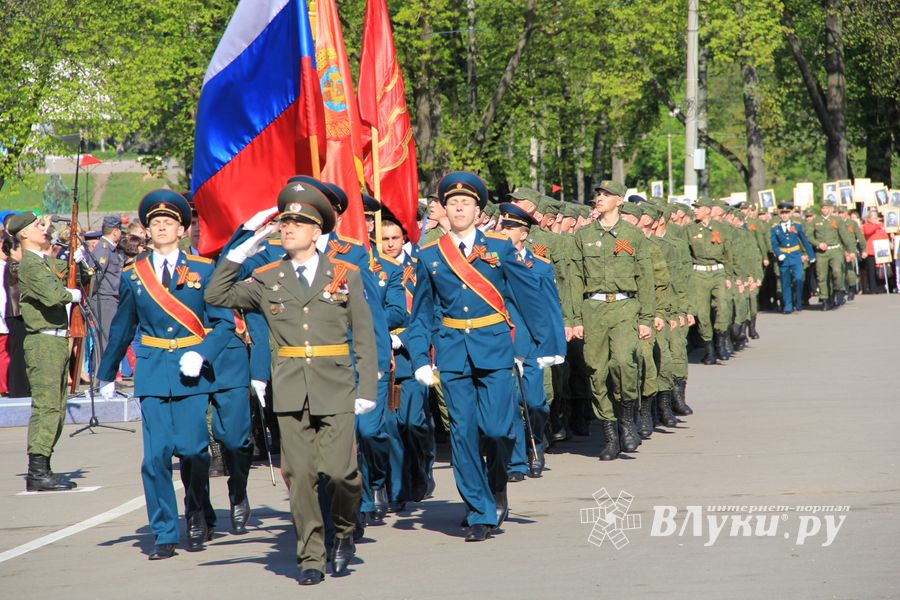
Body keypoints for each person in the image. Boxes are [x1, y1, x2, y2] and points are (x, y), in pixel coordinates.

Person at [206, 183, 377, 584]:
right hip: (290, 389)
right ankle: (311, 556)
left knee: (341, 474)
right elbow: (216, 294)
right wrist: (240, 251)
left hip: (335, 385)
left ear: (317, 232)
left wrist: (367, 389)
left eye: (297, 223)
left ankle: (344, 530)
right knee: (299, 477)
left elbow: (364, 336)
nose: (287, 228)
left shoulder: (345, 274)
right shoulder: (268, 277)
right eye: (284, 222)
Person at [405, 171, 557, 542]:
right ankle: (479, 511)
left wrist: (546, 343)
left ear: (478, 211)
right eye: (452, 203)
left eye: (466, 203)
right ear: (445, 210)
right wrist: (420, 358)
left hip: (495, 348)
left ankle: (497, 483)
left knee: (498, 430)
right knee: (463, 434)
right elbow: (421, 313)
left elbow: (527, 295)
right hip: (452, 350)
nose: (459, 208)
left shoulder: (500, 248)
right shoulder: (430, 255)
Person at [97, 190, 235, 560]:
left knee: (193, 451)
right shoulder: (134, 275)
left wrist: (202, 354)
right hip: (154, 371)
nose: (161, 227)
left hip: (192, 372)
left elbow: (223, 324)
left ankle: (197, 506)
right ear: (147, 230)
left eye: (168, 222)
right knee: (156, 457)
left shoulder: (203, 270)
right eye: (155, 223)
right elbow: (123, 326)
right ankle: (164, 531)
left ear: (181, 229)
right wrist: (107, 372)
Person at [569, 180, 654, 460]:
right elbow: (575, 278)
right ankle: (609, 434)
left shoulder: (633, 235)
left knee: (623, 363)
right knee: (596, 371)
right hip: (593, 308)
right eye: (598, 193)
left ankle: (627, 419)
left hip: (625, 306)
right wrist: (575, 318)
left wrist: (646, 317)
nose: (600, 197)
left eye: (607, 194)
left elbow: (645, 277)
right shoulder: (583, 235)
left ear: (620, 201)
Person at [9, 211, 88, 491]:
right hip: (42, 342)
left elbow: (77, 275)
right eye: (37, 225)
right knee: (47, 407)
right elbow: (54, 296)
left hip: (56, 341)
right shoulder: (30, 265)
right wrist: (72, 295)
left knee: (58, 406)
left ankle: (45, 466)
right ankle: (37, 471)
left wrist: (78, 259)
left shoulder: (44, 262)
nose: (44, 228)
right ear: (24, 234)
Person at [497, 202, 565, 480]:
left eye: (510, 228)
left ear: (523, 234)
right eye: (502, 226)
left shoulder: (539, 266)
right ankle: (516, 462)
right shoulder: (492, 262)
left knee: (535, 403)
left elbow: (550, 308)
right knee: (510, 402)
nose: (504, 231)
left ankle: (536, 439)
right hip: (504, 341)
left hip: (533, 344)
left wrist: (553, 345)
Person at [89, 215, 124, 393]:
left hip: (110, 298)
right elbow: (95, 276)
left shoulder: (110, 249)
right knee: (104, 341)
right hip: (104, 299)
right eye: (120, 231)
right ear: (115, 231)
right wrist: (92, 299)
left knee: (108, 340)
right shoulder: (103, 248)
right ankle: (100, 381)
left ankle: (104, 380)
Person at [807, 198, 855, 309]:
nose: (824, 210)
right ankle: (825, 299)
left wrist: (850, 251)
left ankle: (837, 290)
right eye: (822, 208)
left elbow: (844, 236)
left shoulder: (837, 220)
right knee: (822, 276)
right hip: (821, 252)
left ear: (830, 209)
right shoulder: (815, 220)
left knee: (837, 272)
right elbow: (809, 236)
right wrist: (818, 244)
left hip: (835, 250)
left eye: (826, 208)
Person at [770, 202, 815, 314]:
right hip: (784, 257)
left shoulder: (797, 226)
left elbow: (804, 241)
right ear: (779, 214)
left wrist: (811, 255)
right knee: (785, 282)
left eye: (786, 213)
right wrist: (778, 253)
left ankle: (798, 301)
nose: (784, 215)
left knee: (798, 279)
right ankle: (788, 305)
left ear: (790, 213)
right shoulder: (775, 228)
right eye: (782, 213)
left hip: (795, 256)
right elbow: (774, 244)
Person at [861, 209, 889, 294]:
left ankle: (881, 287)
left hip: (880, 250)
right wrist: (877, 225)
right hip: (871, 251)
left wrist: (888, 242)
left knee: (880, 270)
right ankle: (873, 288)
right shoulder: (866, 225)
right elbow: (868, 232)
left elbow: (884, 235)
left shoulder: (881, 225)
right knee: (871, 270)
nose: (875, 219)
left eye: (876, 217)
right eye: (873, 217)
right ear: (869, 218)